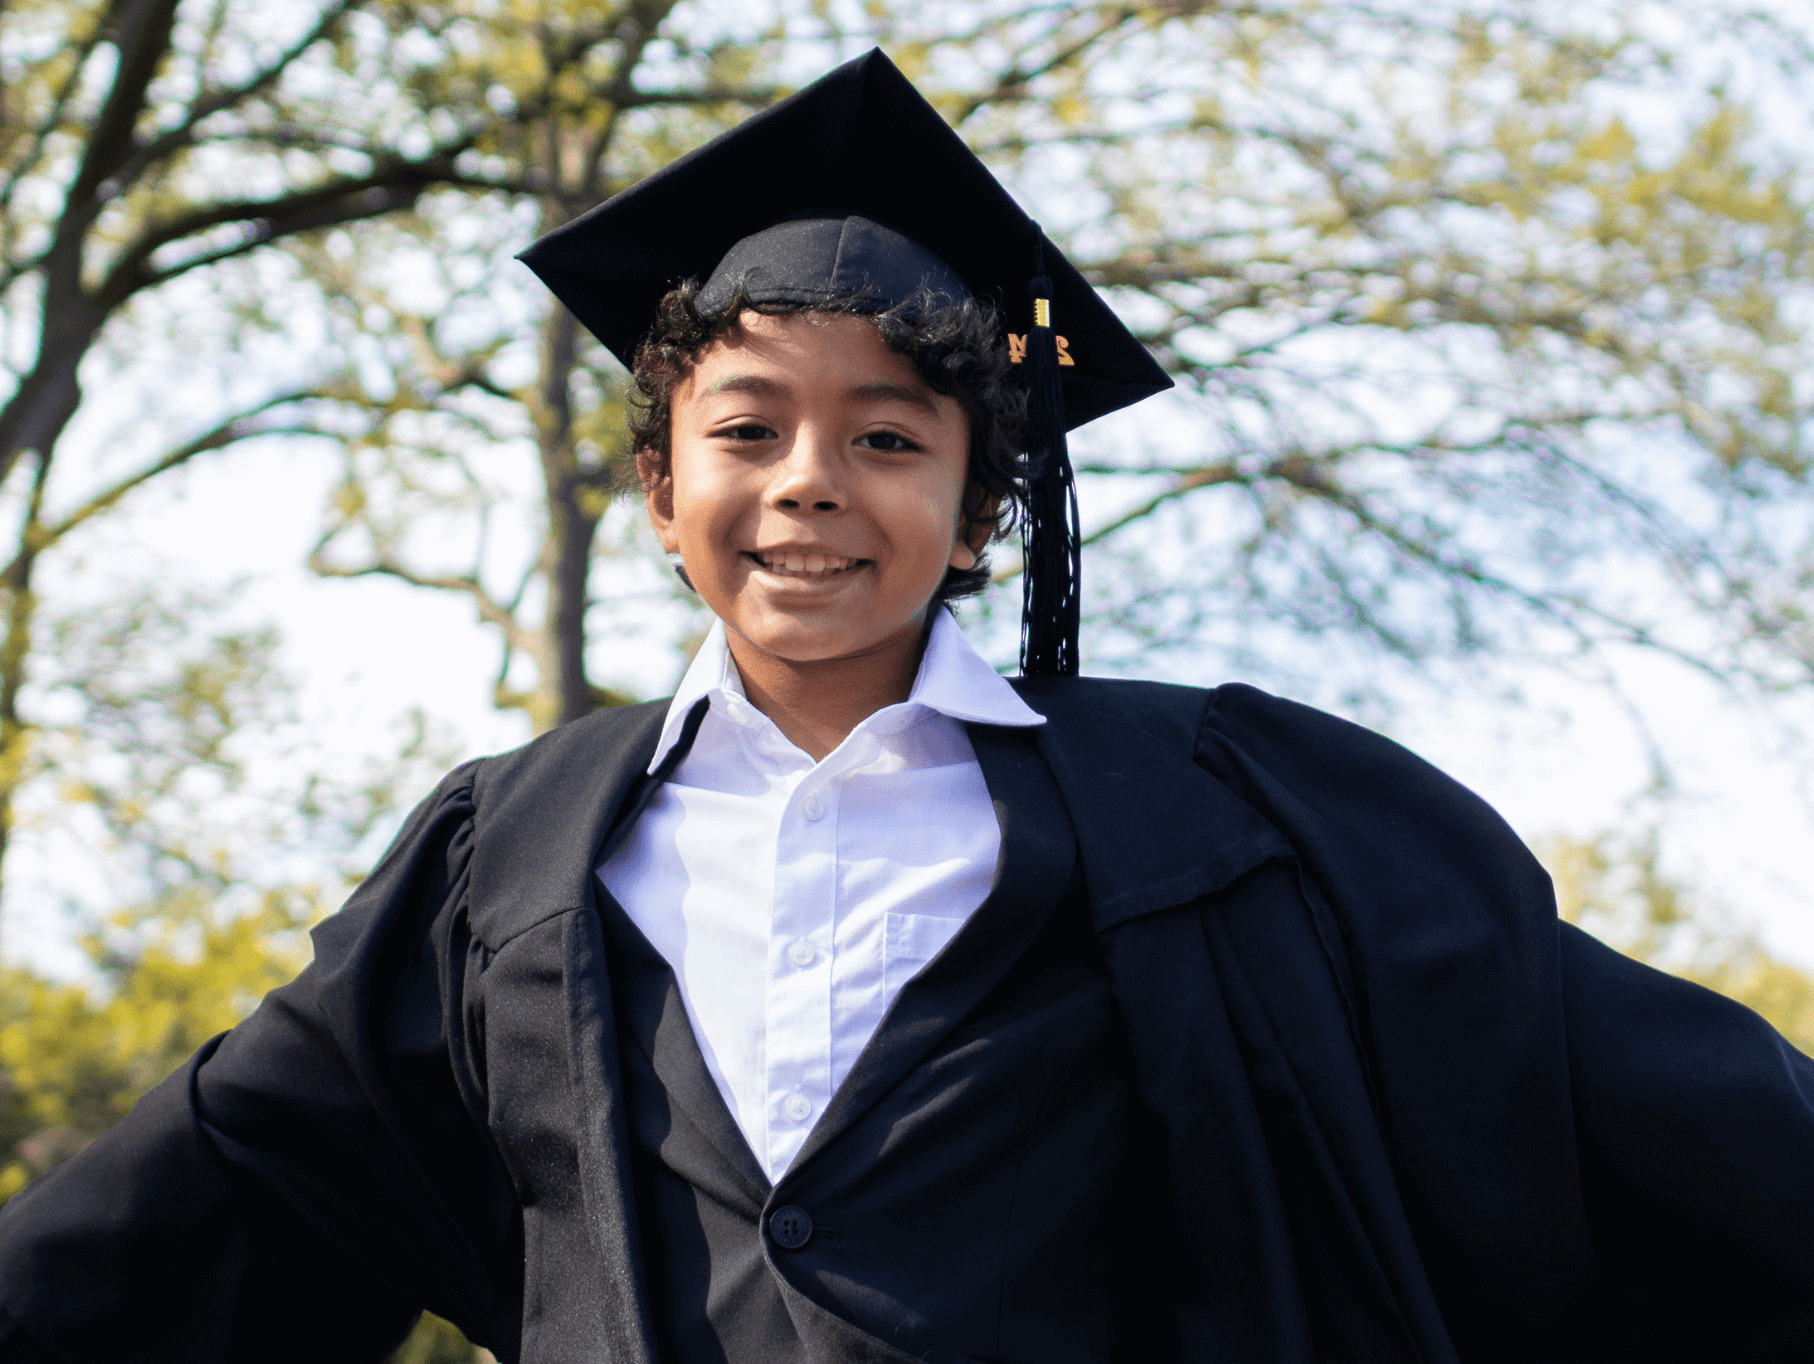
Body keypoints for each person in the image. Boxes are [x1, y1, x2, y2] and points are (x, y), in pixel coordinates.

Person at [1, 48, 1810, 1364]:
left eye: (886, 438)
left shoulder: (1212, 812)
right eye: (746, 429)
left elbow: (1613, 1090)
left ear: (977, 514)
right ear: (657, 491)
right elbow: (231, 1182)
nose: (809, 482)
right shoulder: (511, 854)